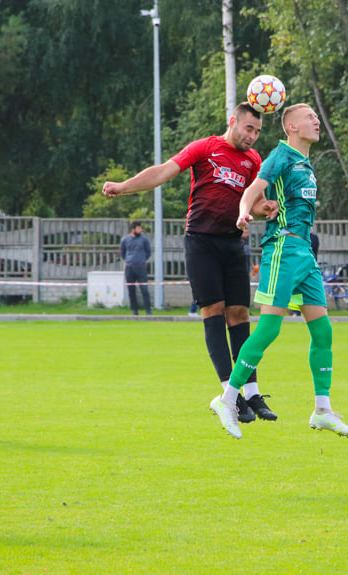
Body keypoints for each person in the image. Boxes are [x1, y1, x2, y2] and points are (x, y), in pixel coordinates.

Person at [103, 102, 278, 423]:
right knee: (213, 310)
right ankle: (231, 394)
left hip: (233, 244)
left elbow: (256, 200)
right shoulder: (205, 148)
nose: (252, 136)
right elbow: (163, 172)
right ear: (233, 122)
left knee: (240, 313)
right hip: (201, 242)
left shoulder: (254, 161)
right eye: (248, 128)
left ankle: (252, 393)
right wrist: (123, 186)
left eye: (257, 131)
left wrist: (267, 207)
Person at [209, 103, 348, 439]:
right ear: (291, 126)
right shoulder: (281, 155)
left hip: (305, 252)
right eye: (310, 117)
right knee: (269, 329)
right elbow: (251, 191)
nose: (317, 121)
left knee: (323, 333)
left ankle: (322, 410)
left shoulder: (305, 163)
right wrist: (244, 213)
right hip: (284, 250)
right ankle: (227, 400)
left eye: (317, 117)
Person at [120, 221, 152, 316]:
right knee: (131, 290)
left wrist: (141, 260)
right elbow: (123, 253)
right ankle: (134, 310)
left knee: (144, 289)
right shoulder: (125, 240)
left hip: (141, 267)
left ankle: (148, 310)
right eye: (138, 228)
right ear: (133, 230)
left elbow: (148, 252)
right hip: (129, 267)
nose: (140, 230)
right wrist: (129, 260)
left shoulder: (144, 240)